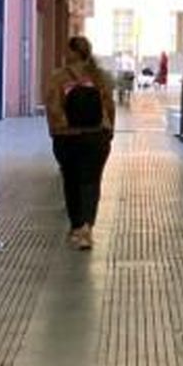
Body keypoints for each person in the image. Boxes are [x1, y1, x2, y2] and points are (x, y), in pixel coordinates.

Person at [44, 35, 116, 249]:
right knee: (92, 182)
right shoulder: (100, 76)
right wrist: (109, 130)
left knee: (72, 182)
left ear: (72, 52)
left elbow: (53, 106)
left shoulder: (58, 77)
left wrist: (56, 131)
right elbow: (109, 106)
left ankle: (76, 228)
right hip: (97, 136)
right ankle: (87, 228)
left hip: (68, 137)